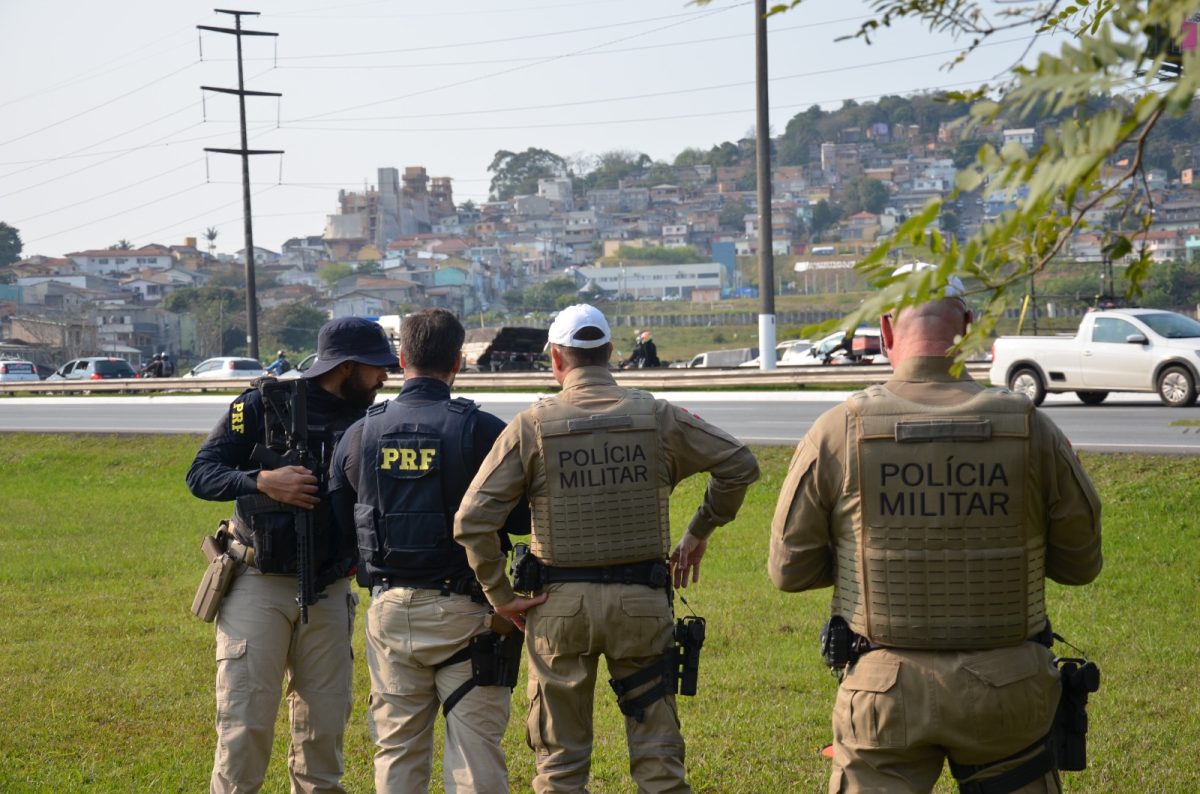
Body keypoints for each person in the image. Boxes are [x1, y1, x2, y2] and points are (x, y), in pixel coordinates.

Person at [768, 264, 1103, 794]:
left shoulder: (839, 429)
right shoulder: (1031, 427)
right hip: (1009, 688)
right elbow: (1081, 564)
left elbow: (788, 569)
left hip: (883, 691)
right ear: (968, 327)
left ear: (884, 331)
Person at [454, 303, 760, 794]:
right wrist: (699, 530)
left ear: (556, 359)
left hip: (557, 607)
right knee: (659, 762)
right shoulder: (656, 416)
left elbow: (472, 520)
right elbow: (740, 464)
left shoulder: (531, 425)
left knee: (559, 768)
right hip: (641, 602)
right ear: (611, 353)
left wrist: (500, 594)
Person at [186, 316, 398, 794]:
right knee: (244, 728)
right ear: (346, 366)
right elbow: (201, 474)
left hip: (328, 588)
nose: (384, 376)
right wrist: (262, 481)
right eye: (376, 367)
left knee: (323, 733)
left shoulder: (369, 420)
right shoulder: (262, 405)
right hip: (257, 583)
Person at [327, 309, 531, 793]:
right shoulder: (483, 431)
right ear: (458, 362)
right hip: (469, 614)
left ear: (400, 360)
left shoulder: (360, 433)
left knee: (397, 754)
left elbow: (342, 517)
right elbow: (522, 518)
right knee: (476, 758)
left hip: (390, 611)